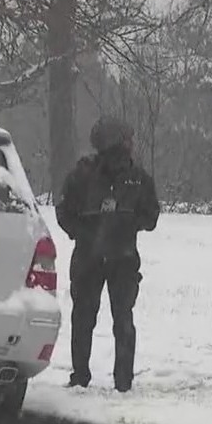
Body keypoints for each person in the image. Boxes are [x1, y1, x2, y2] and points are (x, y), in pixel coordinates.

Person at [55, 116, 160, 392]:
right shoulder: (135, 178)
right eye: (128, 139)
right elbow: (151, 217)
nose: (132, 144)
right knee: (120, 318)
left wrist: (85, 231)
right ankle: (122, 380)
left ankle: (81, 376)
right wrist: (124, 225)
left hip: (97, 256)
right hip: (118, 256)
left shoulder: (85, 175)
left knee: (86, 317)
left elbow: (64, 212)